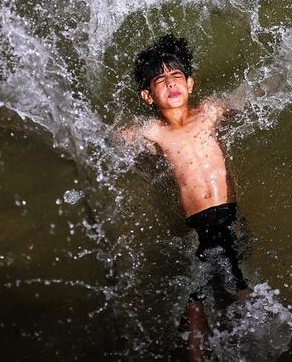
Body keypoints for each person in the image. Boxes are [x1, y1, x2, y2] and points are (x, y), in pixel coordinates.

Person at [117, 34, 261, 361]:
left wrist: (272, 85)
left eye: (176, 76)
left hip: (230, 216)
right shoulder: (154, 131)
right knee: (194, 306)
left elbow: (245, 97)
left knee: (243, 294)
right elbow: (119, 139)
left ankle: (253, 351)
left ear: (190, 84)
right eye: (160, 80)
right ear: (147, 96)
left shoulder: (208, 113)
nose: (170, 84)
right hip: (196, 228)